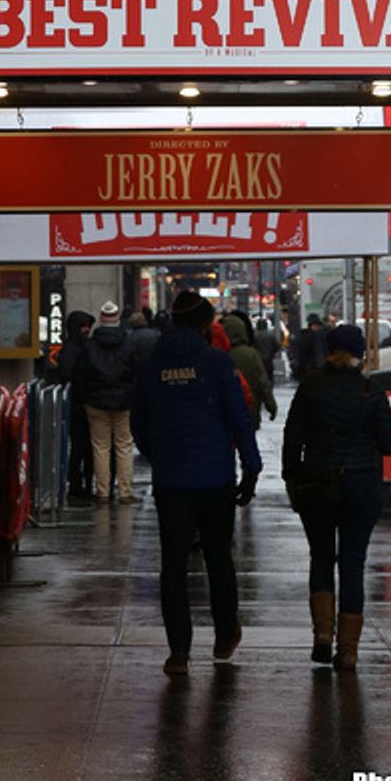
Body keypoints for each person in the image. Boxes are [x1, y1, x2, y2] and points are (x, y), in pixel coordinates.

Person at [131, 289, 262, 677]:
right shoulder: (218, 364)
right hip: (215, 478)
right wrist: (251, 468)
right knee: (218, 558)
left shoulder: (152, 366)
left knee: (172, 566)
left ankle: (179, 653)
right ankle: (224, 635)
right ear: (207, 326)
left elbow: (138, 423)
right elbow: (239, 418)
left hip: (171, 481)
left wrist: (161, 455)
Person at [281, 322, 391, 673]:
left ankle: (322, 634)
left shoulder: (311, 387)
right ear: (361, 354)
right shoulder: (371, 392)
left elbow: (292, 439)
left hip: (317, 486)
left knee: (321, 558)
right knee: (353, 565)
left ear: (329, 351)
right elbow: (390, 445)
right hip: (361, 488)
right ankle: (347, 651)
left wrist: (293, 478)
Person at [75, 301, 139, 503]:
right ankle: (125, 491)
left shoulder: (90, 346)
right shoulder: (129, 345)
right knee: (124, 446)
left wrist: (86, 399)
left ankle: (102, 491)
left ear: (101, 321)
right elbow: (136, 373)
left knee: (100, 447)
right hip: (123, 402)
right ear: (118, 320)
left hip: (96, 402)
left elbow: (82, 375)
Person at [55, 309, 96, 504]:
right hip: (79, 406)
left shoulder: (73, 347)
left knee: (83, 447)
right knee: (80, 447)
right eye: (84, 326)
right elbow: (69, 376)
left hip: (80, 404)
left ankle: (81, 483)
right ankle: (78, 484)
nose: (87, 329)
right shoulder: (74, 349)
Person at [219, 311, 278, 427]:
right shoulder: (251, 354)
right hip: (249, 409)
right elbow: (263, 383)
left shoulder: (218, 354)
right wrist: (271, 405)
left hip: (224, 412)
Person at [290, 312, 329, 381]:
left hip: (309, 368)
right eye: (316, 325)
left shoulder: (302, 336)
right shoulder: (318, 336)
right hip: (313, 367)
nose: (317, 327)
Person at [253, 317, 281, 384]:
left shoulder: (254, 335)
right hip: (268, 360)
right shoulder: (270, 335)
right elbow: (277, 346)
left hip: (257, 360)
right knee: (269, 377)